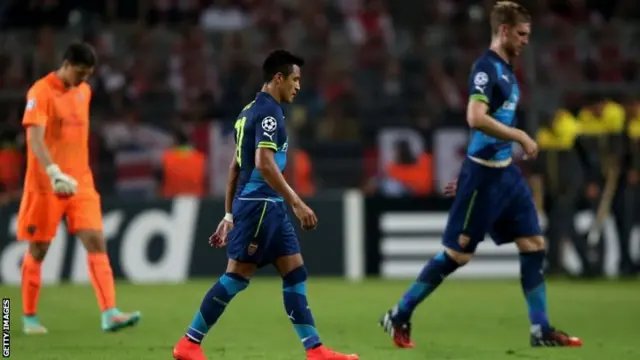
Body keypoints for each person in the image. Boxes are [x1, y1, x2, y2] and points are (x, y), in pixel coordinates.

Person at [378, 1, 582, 349]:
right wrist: (517, 137)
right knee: (458, 256)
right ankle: (400, 312)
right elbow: (475, 117)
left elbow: (485, 133)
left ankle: (541, 330)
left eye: (528, 34)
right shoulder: (486, 69)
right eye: (520, 34)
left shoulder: (507, 69)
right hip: (484, 180)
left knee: (534, 245)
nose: (525, 40)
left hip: (506, 175)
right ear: (503, 30)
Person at [172, 50, 359, 360]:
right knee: (236, 277)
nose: (298, 87)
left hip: (263, 206)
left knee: (295, 272)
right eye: (295, 80)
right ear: (278, 78)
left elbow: (235, 166)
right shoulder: (270, 113)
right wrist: (297, 202)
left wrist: (229, 213)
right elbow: (264, 162)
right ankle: (189, 342)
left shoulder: (247, 112)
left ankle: (315, 350)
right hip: (261, 206)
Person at [17, 42, 141, 334]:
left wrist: (70, 173)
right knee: (39, 248)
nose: (83, 79)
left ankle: (110, 313)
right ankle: (27, 317)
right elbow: (35, 140)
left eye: (88, 74)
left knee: (96, 240)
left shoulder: (84, 92)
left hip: (80, 181)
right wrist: (53, 171)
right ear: (66, 64)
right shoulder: (40, 92)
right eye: (80, 72)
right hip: (46, 183)